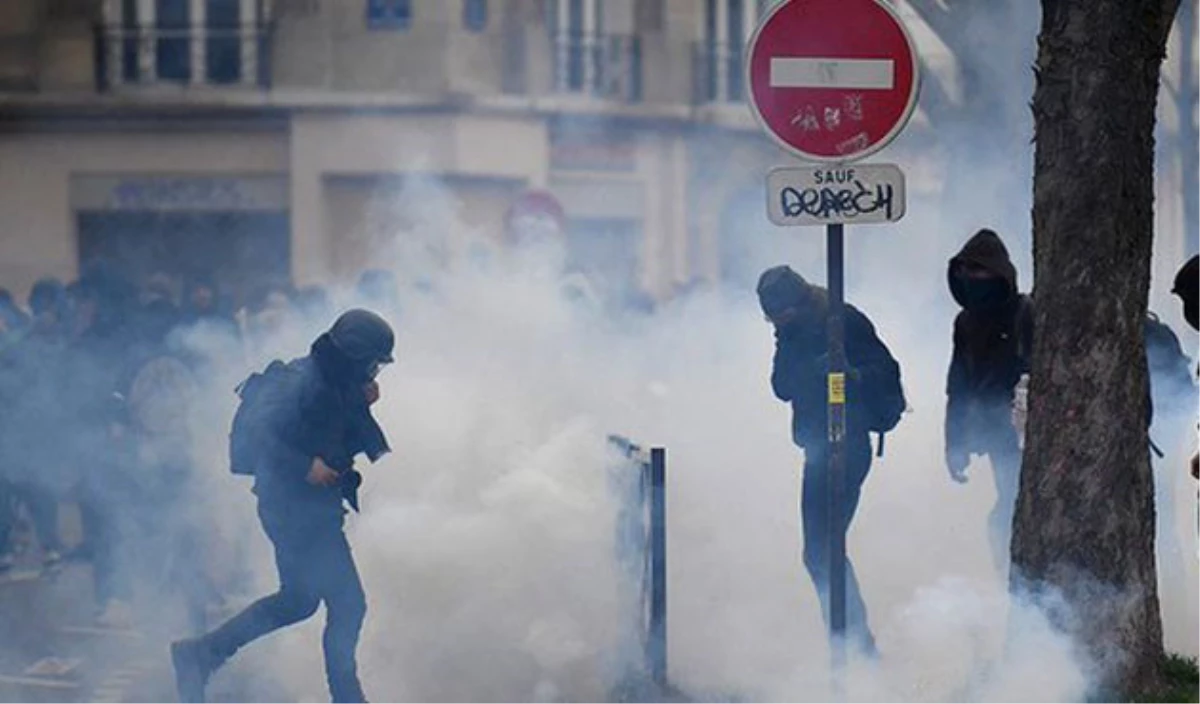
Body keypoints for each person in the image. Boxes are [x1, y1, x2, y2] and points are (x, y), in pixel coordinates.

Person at [171, 309, 395, 704]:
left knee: (299, 601)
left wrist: (361, 403)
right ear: (353, 355)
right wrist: (304, 465)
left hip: (309, 511)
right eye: (372, 363)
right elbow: (260, 433)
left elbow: (333, 432)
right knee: (349, 604)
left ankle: (201, 654)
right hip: (294, 512)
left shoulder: (336, 381)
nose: (375, 371)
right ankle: (347, 697)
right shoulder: (298, 380)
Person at [757, 265, 903, 657]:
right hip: (817, 446)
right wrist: (812, 370)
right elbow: (782, 386)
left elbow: (887, 372)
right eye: (774, 319)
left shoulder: (843, 319)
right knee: (820, 551)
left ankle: (852, 644)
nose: (778, 323)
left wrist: (850, 374)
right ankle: (847, 639)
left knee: (823, 549)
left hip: (848, 443)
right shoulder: (790, 330)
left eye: (781, 316)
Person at [944, 229, 1033, 574]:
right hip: (996, 433)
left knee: (1014, 509)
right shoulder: (965, 322)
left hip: (1028, 431)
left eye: (980, 271)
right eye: (966, 271)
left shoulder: (1025, 312)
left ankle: (1025, 587)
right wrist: (955, 444)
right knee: (1008, 509)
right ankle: (1013, 583)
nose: (972, 279)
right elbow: (959, 386)